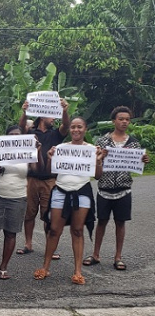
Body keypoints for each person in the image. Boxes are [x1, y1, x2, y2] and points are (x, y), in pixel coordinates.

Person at [33, 117, 103, 285]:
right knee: (54, 230)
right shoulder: (61, 148)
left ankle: (78, 272)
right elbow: (51, 172)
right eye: (73, 127)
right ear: (69, 129)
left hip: (82, 191)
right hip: (61, 191)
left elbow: (98, 176)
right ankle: (45, 267)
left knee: (78, 230)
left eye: (79, 127)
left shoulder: (92, 150)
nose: (76, 130)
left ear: (85, 129)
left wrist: (99, 160)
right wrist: (50, 158)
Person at [84, 106, 149, 270]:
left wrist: (143, 160)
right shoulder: (102, 142)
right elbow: (95, 166)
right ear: (114, 121)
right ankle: (96, 254)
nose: (124, 122)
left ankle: (118, 257)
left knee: (121, 223)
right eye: (121, 119)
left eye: (127, 119)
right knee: (102, 222)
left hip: (124, 190)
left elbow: (136, 164)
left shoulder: (133, 143)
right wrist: (101, 158)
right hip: (104, 189)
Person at [0, 125, 42, 280]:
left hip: (18, 196)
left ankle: (3, 267)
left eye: (18, 135)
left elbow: (37, 170)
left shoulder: (27, 153)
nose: (15, 137)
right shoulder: (0, 150)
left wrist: (37, 151)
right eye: (12, 135)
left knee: (10, 233)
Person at [17, 99, 70, 257]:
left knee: (49, 215)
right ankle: (28, 243)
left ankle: (50, 246)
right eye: (51, 115)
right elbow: (20, 128)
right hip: (31, 178)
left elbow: (66, 126)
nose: (54, 118)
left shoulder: (55, 134)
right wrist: (25, 111)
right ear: (41, 116)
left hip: (50, 180)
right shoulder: (30, 132)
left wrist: (65, 111)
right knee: (29, 213)